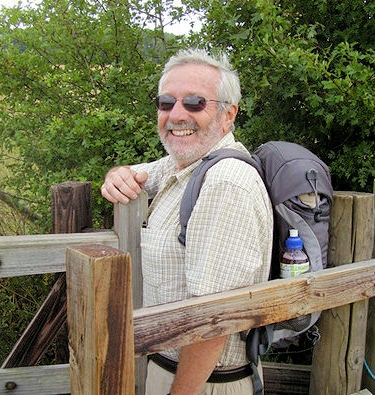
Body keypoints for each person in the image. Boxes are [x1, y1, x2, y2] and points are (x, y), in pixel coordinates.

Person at [101, 48, 273, 395]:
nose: (177, 115)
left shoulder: (225, 181)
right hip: (165, 369)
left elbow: (214, 319)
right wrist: (116, 174)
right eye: (166, 103)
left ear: (227, 115)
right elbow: (139, 173)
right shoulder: (184, 165)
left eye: (195, 103)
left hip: (202, 383)